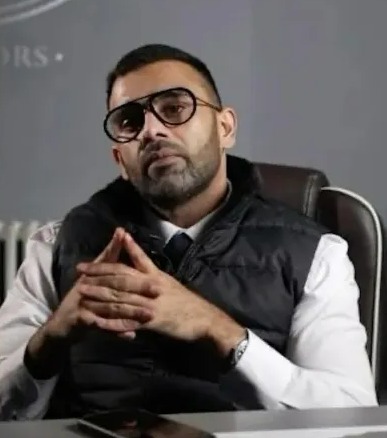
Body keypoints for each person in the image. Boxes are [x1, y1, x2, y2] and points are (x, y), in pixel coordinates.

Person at [0, 44, 378, 421]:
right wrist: (48, 341)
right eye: (130, 121)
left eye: (175, 109)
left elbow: (351, 416)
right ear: (120, 158)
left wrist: (221, 331)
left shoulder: (315, 255)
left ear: (225, 127)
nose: (152, 130)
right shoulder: (55, 246)